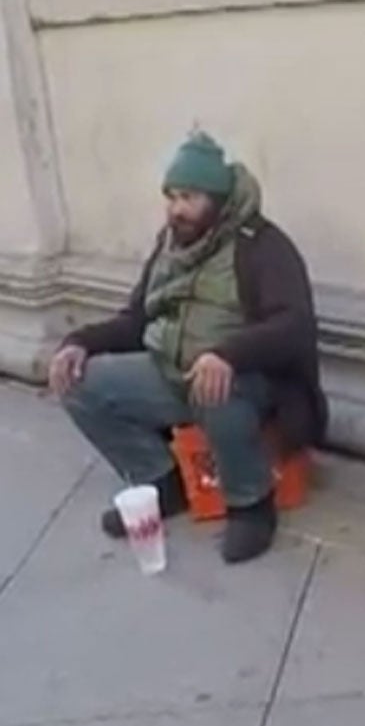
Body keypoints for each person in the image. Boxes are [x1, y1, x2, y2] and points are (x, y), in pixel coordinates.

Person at [46, 130, 326, 565]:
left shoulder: (262, 246)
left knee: (213, 385)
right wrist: (80, 344)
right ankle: (162, 482)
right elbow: (137, 318)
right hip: (172, 368)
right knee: (79, 383)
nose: (177, 209)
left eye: (189, 197)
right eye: (171, 197)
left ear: (218, 199)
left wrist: (228, 355)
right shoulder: (170, 243)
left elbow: (294, 326)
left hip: (250, 381)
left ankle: (251, 504)